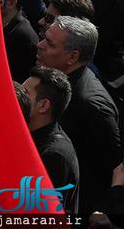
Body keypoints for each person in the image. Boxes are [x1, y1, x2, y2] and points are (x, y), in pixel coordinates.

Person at [37, 16, 121, 216]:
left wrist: (100, 213)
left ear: (72, 57)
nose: (39, 45)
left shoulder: (91, 104)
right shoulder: (56, 82)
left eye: (49, 43)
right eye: (44, 39)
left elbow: (114, 166)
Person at [20, 66, 81, 214]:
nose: (17, 97)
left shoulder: (54, 156)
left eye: (25, 94)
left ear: (43, 106)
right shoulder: (31, 135)